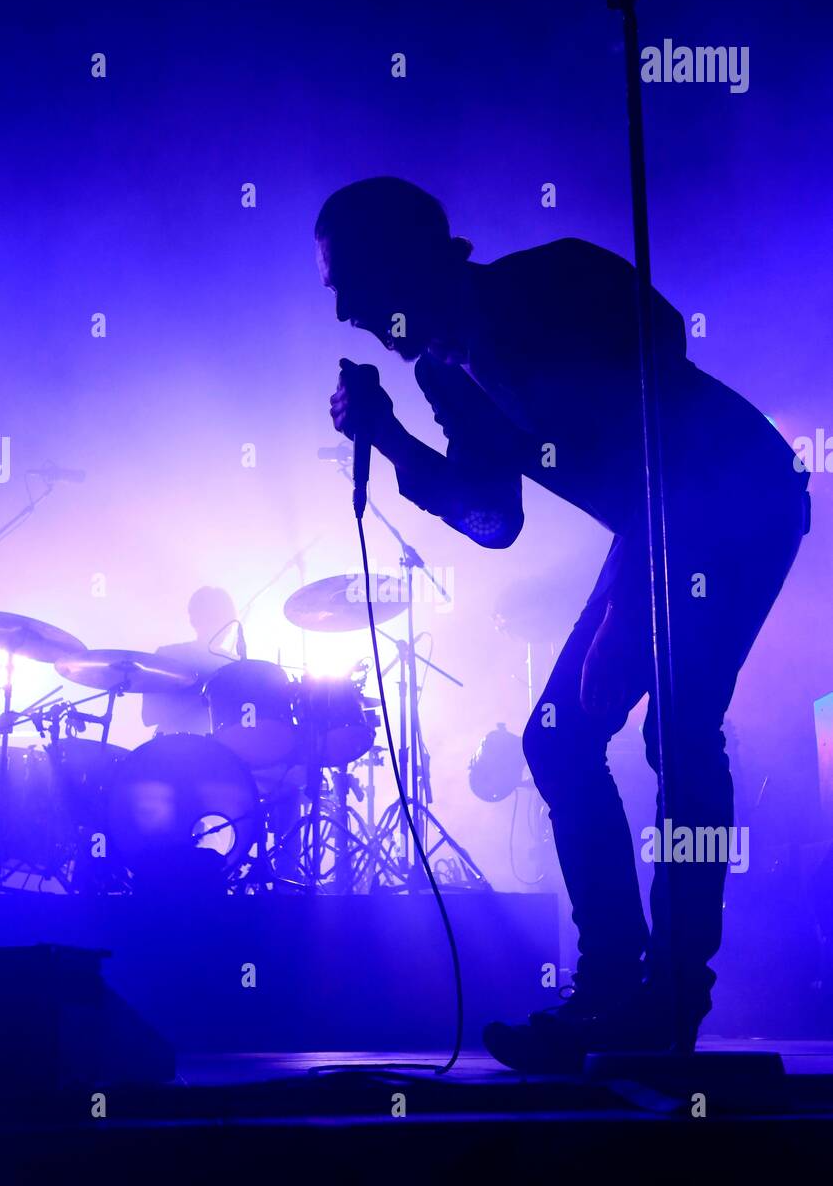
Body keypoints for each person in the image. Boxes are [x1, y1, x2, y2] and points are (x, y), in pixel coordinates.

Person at [315, 176, 810, 1071]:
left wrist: (642, 560)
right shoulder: (442, 371)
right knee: (557, 741)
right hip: (653, 532)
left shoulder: (551, 278)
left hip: (736, 501)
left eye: (349, 281)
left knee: (680, 733)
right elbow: (494, 520)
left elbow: (659, 339)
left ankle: (668, 1001)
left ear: (406, 256)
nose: (344, 310)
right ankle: (611, 992)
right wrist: (388, 438)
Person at [141, 586, 239, 736]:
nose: (223, 626)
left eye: (225, 619)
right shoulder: (168, 655)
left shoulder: (235, 665)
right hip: (170, 747)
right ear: (194, 619)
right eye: (214, 617)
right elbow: (148, 716)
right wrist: (202, 690)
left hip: (218, 752)